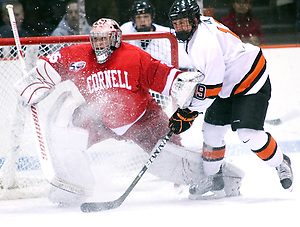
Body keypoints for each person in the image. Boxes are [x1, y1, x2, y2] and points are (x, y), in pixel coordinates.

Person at [15, 18, 244, 206]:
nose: (100, 44)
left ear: (116, 38)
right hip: (100, 120)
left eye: (105, 39)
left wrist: (182, 84)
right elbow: (51, 64)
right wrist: (35, 83)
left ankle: (222, 175)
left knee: (171, 161)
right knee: (69, 133)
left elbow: (162, 75)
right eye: (96, 39)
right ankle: (74, 187)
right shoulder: (79, 56)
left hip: (144, 119)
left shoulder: (134, 56)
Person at [167, 0, 293, 199]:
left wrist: (189, 112)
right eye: (176, 23)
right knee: (211, 132)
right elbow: (213, 80)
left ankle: (281, 162)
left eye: (184, 22)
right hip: (227, 82)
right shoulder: (197, 30)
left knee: (248, 134)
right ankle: (213, 177)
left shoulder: (203, 43)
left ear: (194, 20)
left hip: (251, 78)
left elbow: (212, 86)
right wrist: (189, 110)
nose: (180, 27)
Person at [121, 0, 194, 71]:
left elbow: (185, 64)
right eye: (138, 17)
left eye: (146, 16)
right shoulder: (125, 30)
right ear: (133, 19)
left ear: (152, 17)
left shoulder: (167, 34)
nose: (143, 20)